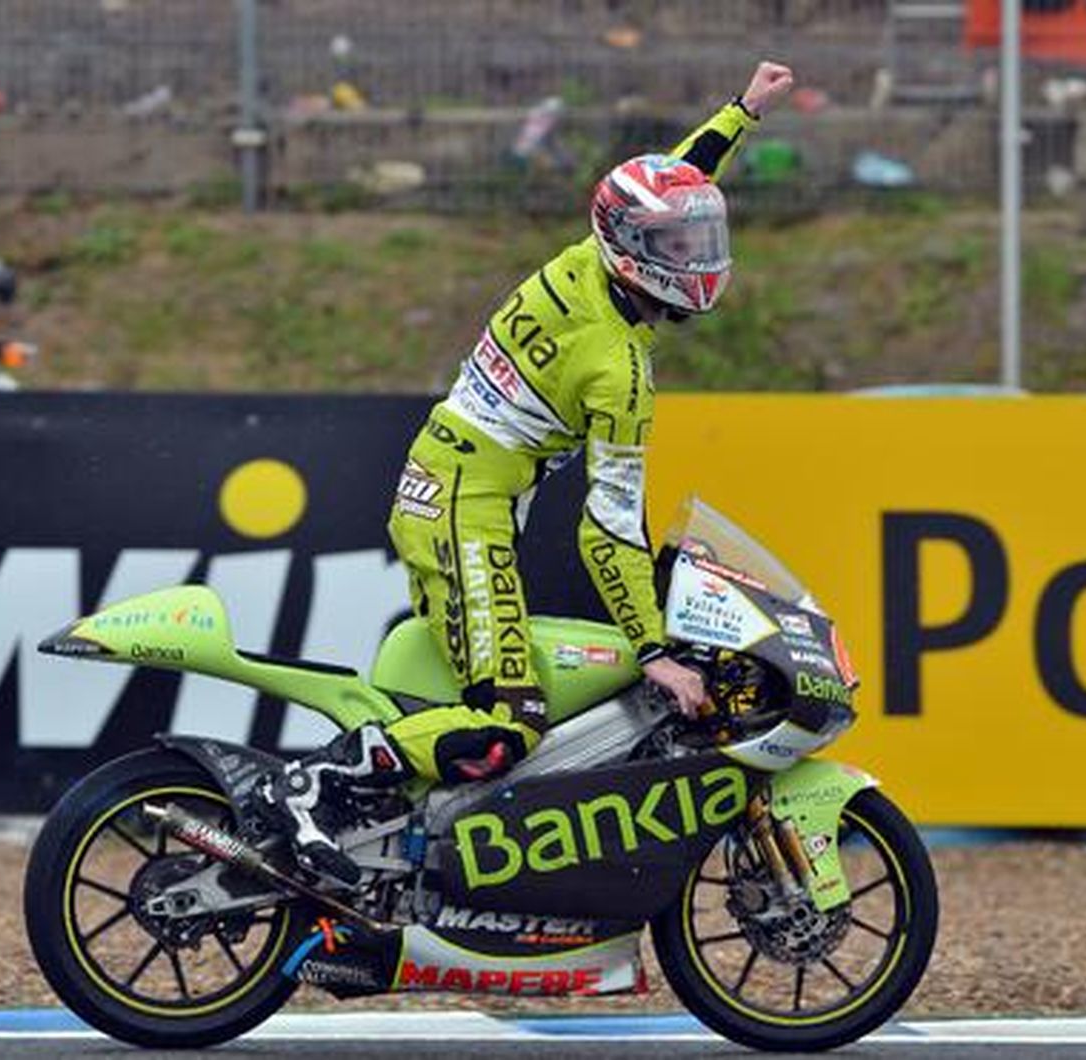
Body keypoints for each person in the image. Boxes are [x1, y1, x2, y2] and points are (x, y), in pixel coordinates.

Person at [265, 62, 797, 887]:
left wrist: (740, 113)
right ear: (639, 259)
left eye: (699, 239)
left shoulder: (595, 254)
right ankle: (317, 789)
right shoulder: (617, 370)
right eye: (681, 247)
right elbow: (609, 524)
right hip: (460, 505)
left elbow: (666, 185)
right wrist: (653, 648)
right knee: (505, 726)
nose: (698, 256)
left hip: (462, 486)